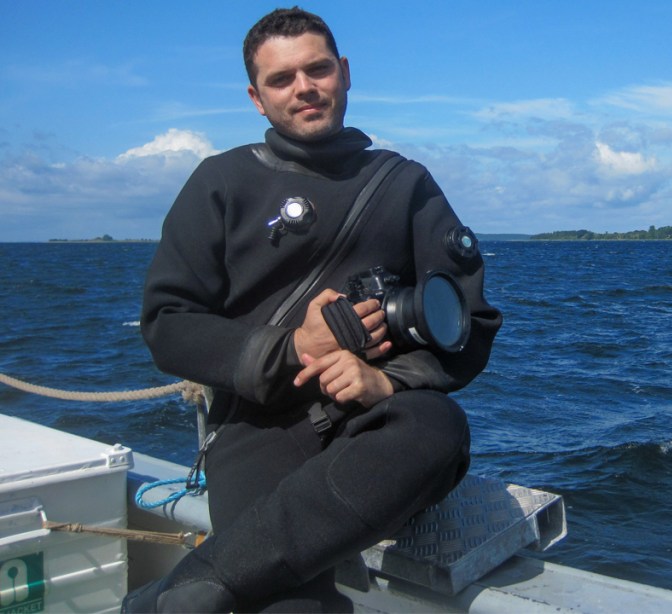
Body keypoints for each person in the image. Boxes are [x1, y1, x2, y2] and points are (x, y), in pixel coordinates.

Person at [124, 7, 501, 612]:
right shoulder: (219, 183)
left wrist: (387, 379)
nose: (304, 87)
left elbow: (470, 321)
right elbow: (168, 324)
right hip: (259, 426)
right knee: (291, 605)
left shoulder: (405, 185)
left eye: (317, 69)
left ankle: (194, 585)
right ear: (256, 97)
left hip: (372, 422)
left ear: (344, 73)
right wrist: (295, 348)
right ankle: (201, 587)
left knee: (439, 427)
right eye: (281, 79)